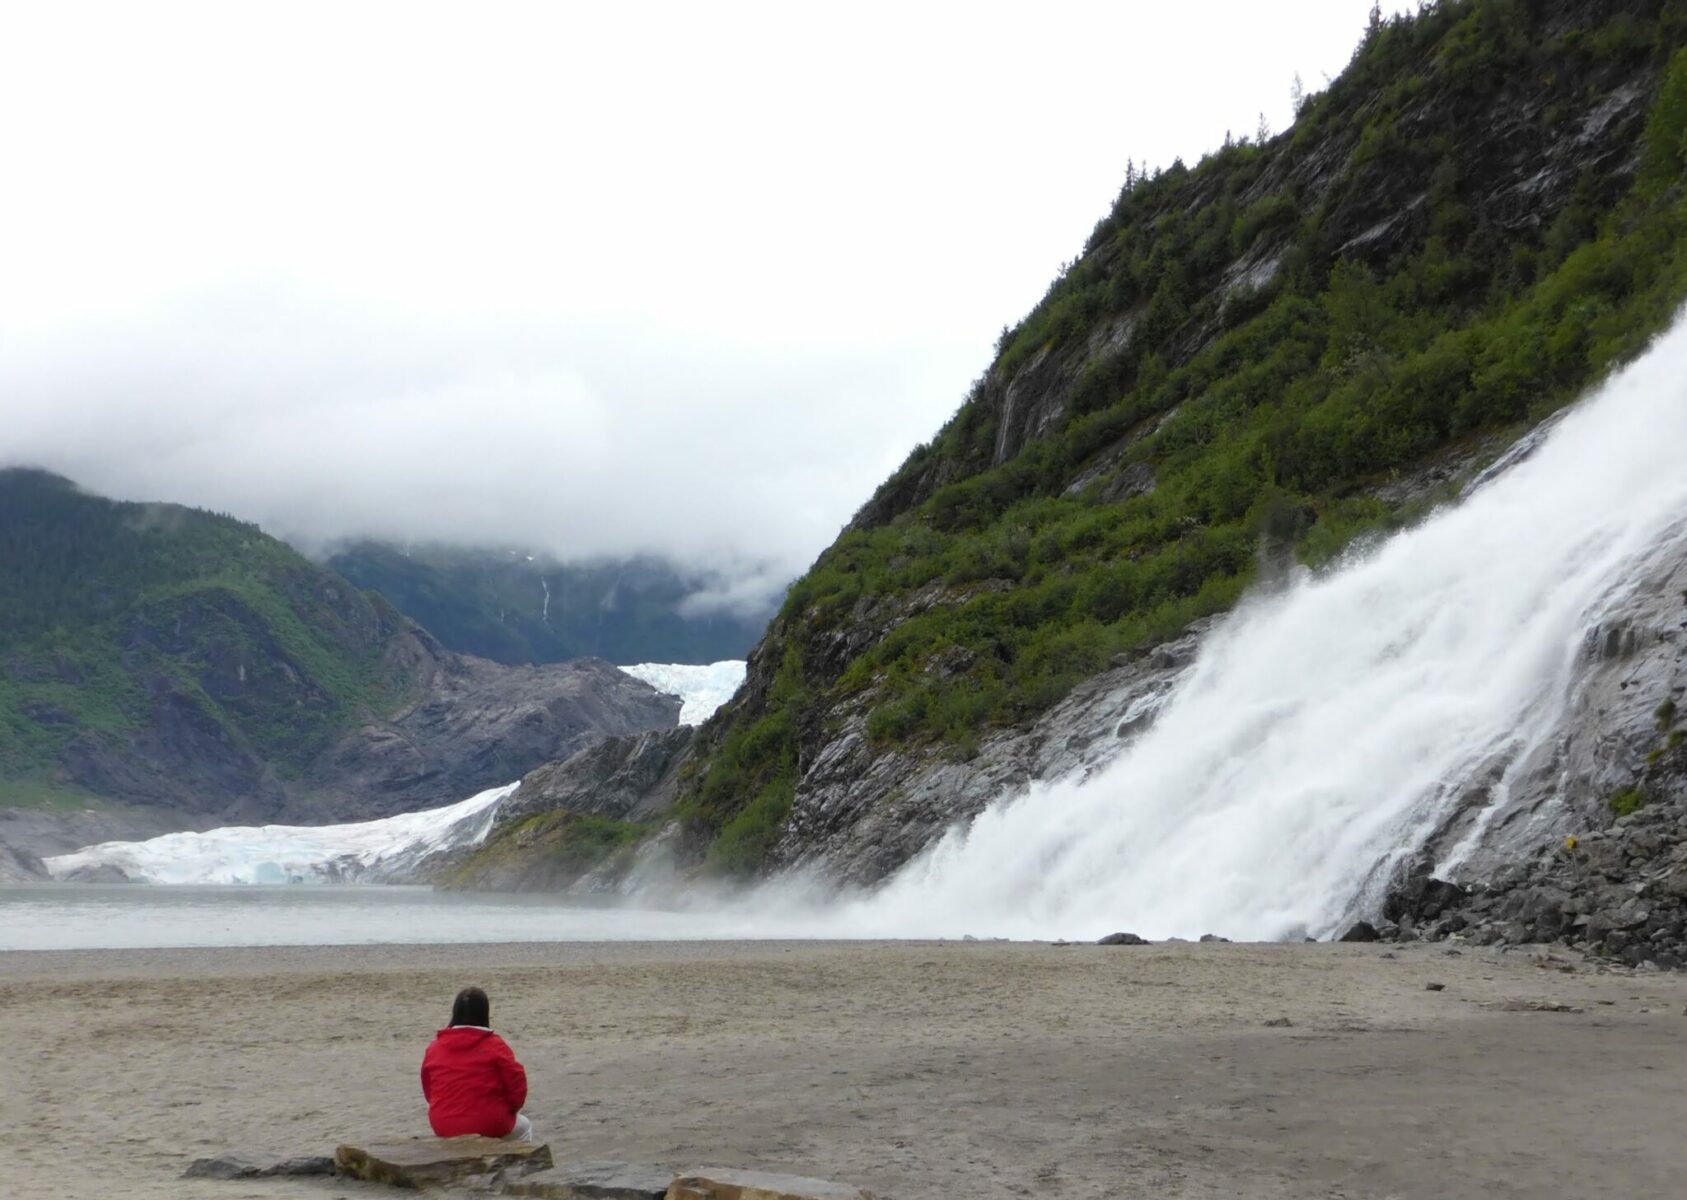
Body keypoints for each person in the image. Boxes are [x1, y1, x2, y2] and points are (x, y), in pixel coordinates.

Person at [420, 986, 533, 1142]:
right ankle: (517, 1163)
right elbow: (517, 1086)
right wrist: (511, 1110)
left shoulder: (434, 1047)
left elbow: (429, 1091)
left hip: (443, 1124)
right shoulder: (495, 1045)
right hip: (490, 1123)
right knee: (525, 1126)